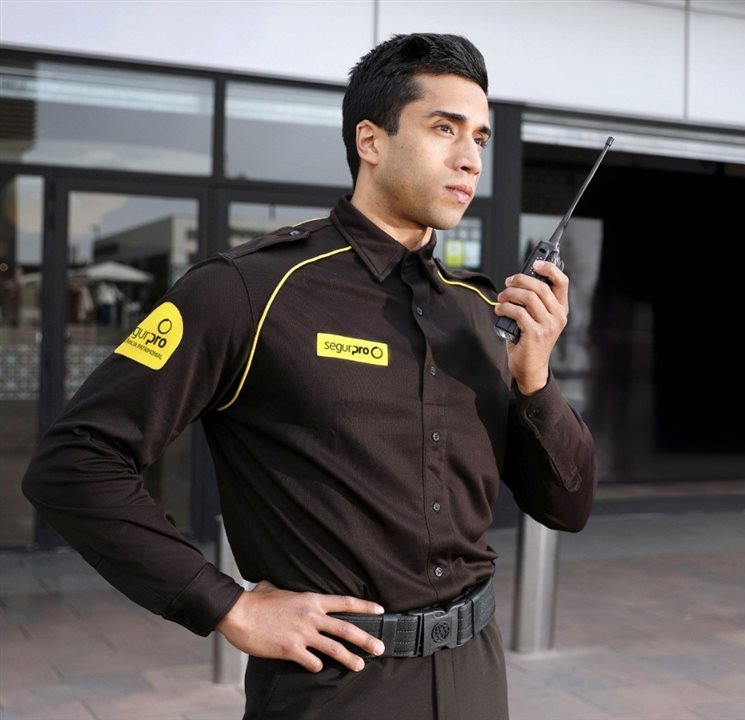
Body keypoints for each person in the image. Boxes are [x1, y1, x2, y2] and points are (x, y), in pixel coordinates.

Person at [23, 34, 596, 719]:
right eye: (443, 128)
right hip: (335, 690)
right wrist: (226, 603)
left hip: (477, 676)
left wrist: (535, 380)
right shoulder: (248, 291)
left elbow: (568, 506)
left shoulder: (480, 315)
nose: (469, 157)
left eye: (480, 136)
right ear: (371, 140)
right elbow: (74, 463)